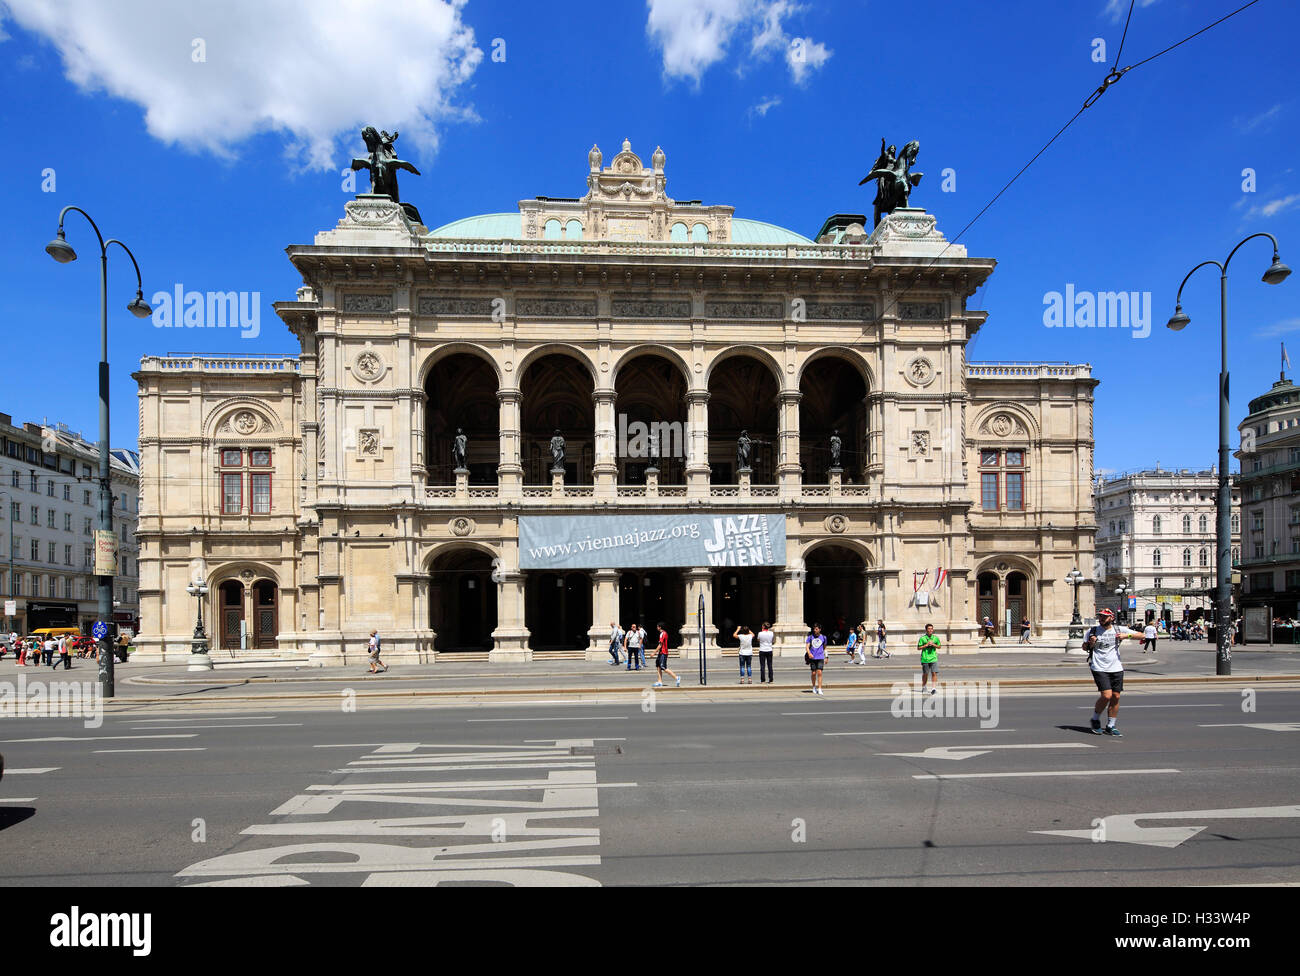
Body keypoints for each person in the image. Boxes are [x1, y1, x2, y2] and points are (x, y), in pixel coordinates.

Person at [1082, 607, 1139, 737]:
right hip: (1099, 666)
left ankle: (1111, 725)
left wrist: (1127, 635)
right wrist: (1090, 643)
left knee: (1116, 697)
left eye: (1104, 617)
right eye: (1100, 616)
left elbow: (1142, 635)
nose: (1101, 618)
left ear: (1111, 618)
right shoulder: (1092, 631)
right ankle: (1095, 719)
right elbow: (1084, 647)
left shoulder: (1119, 630)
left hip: (1116, 667)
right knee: (1106, 695)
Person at [652, 622, 680, 688]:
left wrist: (654, 652)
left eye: (657, 626)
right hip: (661, 653)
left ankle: (676, 677)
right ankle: (660, 681)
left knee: (663, 667)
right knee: (658, 666)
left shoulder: (663, 634)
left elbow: (660, 645)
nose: (657, 628)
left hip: (663, 653)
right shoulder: (663, 633)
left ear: (660, 627)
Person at [918, 623, 941, 695]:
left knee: (934, 673)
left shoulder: (935, 638)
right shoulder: (922, 638)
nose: (930, 630)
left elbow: (939, 646)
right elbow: (918, 648)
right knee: (925, 674)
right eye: (929, 629)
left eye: (931, 629)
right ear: (926, 630)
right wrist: (926, 645)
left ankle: (933, 688)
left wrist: (933, 644)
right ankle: (924, 686)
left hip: (934, 658)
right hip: (925, 658)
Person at [806, 623, 827, 696]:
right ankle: (814, 687)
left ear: (820, 629)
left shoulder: (823, 637)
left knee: (820, 672)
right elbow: (807, 646)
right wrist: (809, 653)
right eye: (814, 629)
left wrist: (826, 656)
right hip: (813, 657)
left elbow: (824, 647)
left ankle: (820, 688)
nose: (815, 630)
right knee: (813, 673)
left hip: (820, 657)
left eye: (816, 629)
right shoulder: (810, 637)